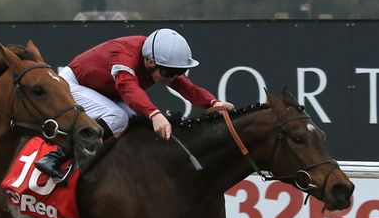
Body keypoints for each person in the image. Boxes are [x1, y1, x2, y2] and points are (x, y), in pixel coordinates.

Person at [35, 28, 235, 181]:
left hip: (103, 90)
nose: (173, 77)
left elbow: (187, 87)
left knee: (136, 121)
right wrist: (154, 113)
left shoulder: (159, 61)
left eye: (178, 71)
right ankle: (56, 156)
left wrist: (213, 102)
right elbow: (126, 86)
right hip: (73, 84)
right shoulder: (124, 54)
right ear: (149, 62)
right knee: (118, 117)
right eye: (169, 72)